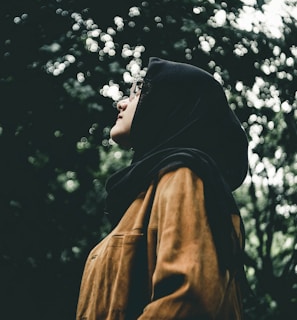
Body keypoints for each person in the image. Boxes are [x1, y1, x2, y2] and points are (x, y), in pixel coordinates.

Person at [76, 57, 249, 320]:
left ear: (169, 103)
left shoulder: (183, 175)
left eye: (138, 91)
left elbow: (188, 300)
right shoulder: (146, 194)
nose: (121, 102)